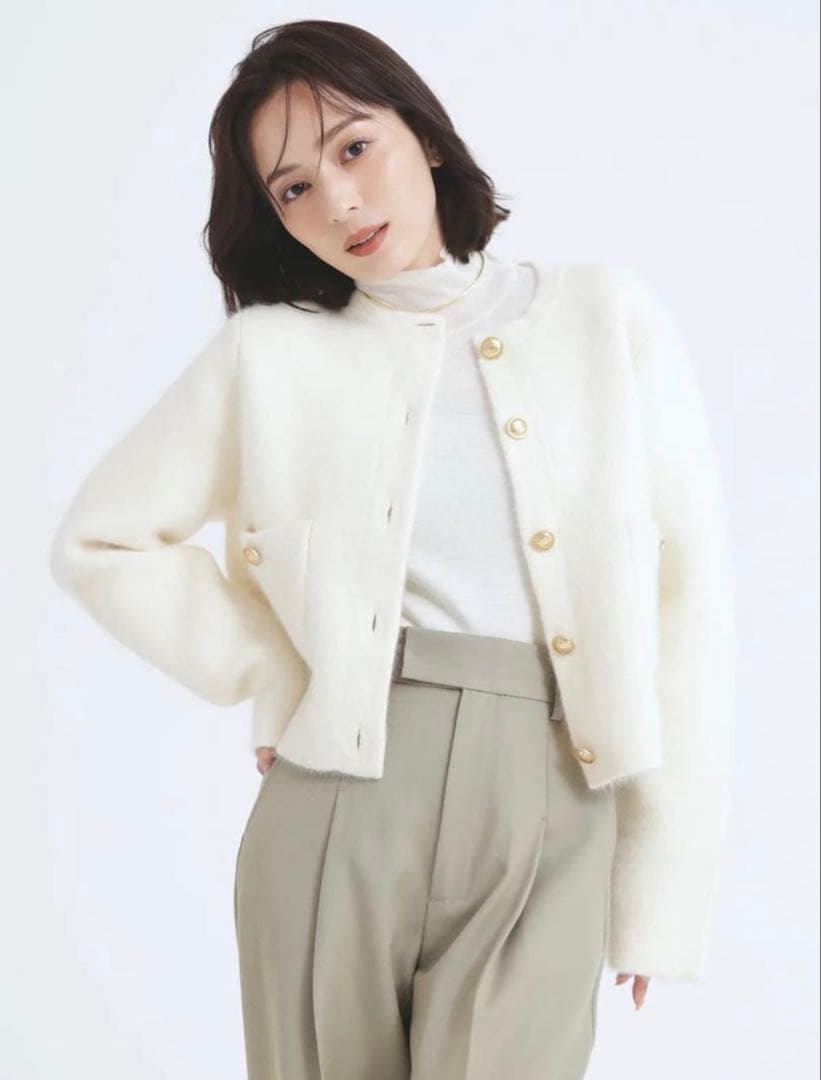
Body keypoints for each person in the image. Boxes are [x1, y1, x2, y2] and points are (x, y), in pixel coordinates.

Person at [48, 18, 736, 1080]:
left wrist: (660, 888)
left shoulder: (606, 321)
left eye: (354, 148)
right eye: (292, 188)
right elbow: (102, 539)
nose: (337, 201)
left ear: (424, 136)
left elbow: (687, 607)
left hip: (557, 797)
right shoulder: (269, 356)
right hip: (340, 795)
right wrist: (275, 675)